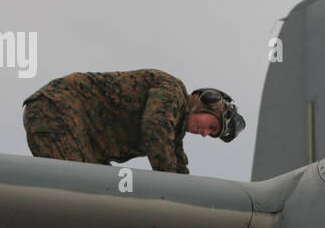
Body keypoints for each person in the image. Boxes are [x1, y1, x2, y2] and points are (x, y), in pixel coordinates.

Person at [22, 69, 244, 174]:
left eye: (211, 134)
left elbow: (178, 170)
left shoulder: (174, 134)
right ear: (206, 103)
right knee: (77, 192)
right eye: (212, 126)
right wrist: (170, 189)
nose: (205, 133)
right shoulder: (173, 90)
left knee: (101, 194)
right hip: (57, 108)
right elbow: (155, 130)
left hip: (82, 139)